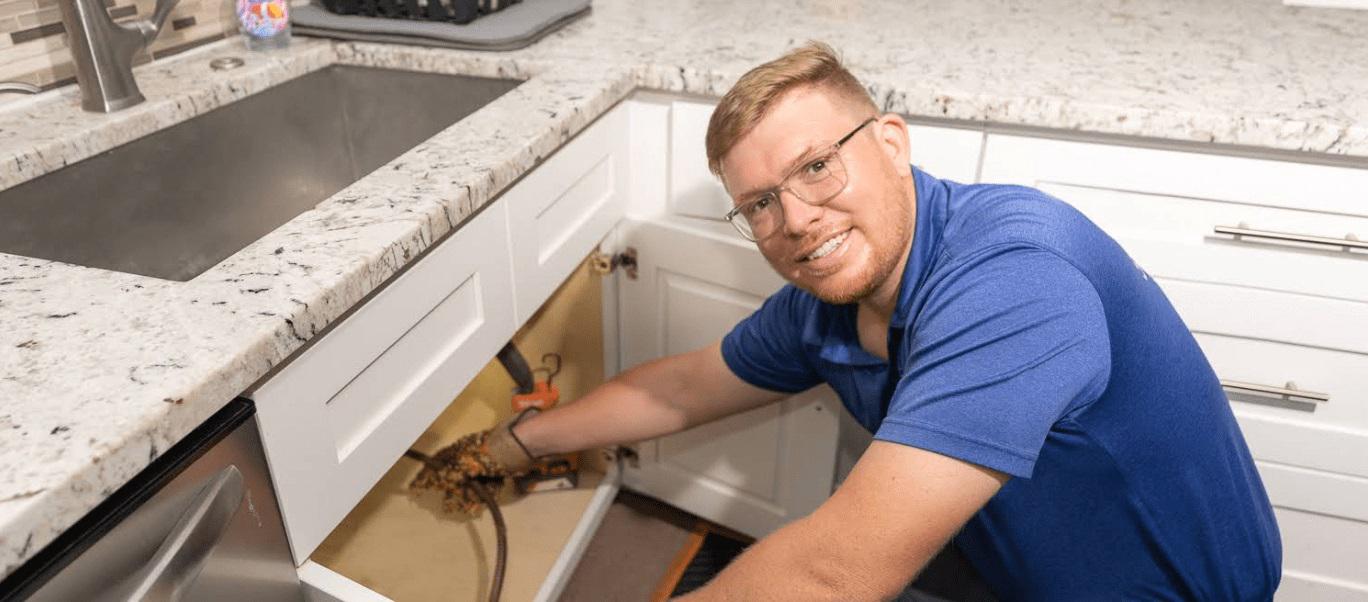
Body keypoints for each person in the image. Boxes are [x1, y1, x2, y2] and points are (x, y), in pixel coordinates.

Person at [439, 42, 1282, 600]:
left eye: (816, 167)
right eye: (759, 204)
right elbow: (682, 390)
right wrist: (508, 446)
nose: (796, 220)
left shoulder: (1016, 280)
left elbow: (834, 575)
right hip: (1010, 558)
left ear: (891, 143)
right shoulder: (827, 305)